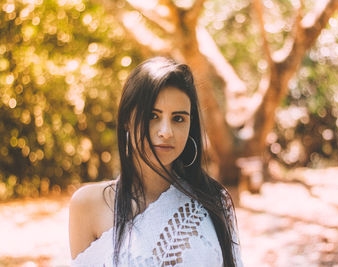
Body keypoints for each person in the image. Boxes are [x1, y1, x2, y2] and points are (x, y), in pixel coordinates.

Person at [69, 57, 243, 266]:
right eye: (152, 115)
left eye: (178, 118)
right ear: (126, 119)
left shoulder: (213, 200)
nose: (166, 132)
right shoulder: (88, 204)